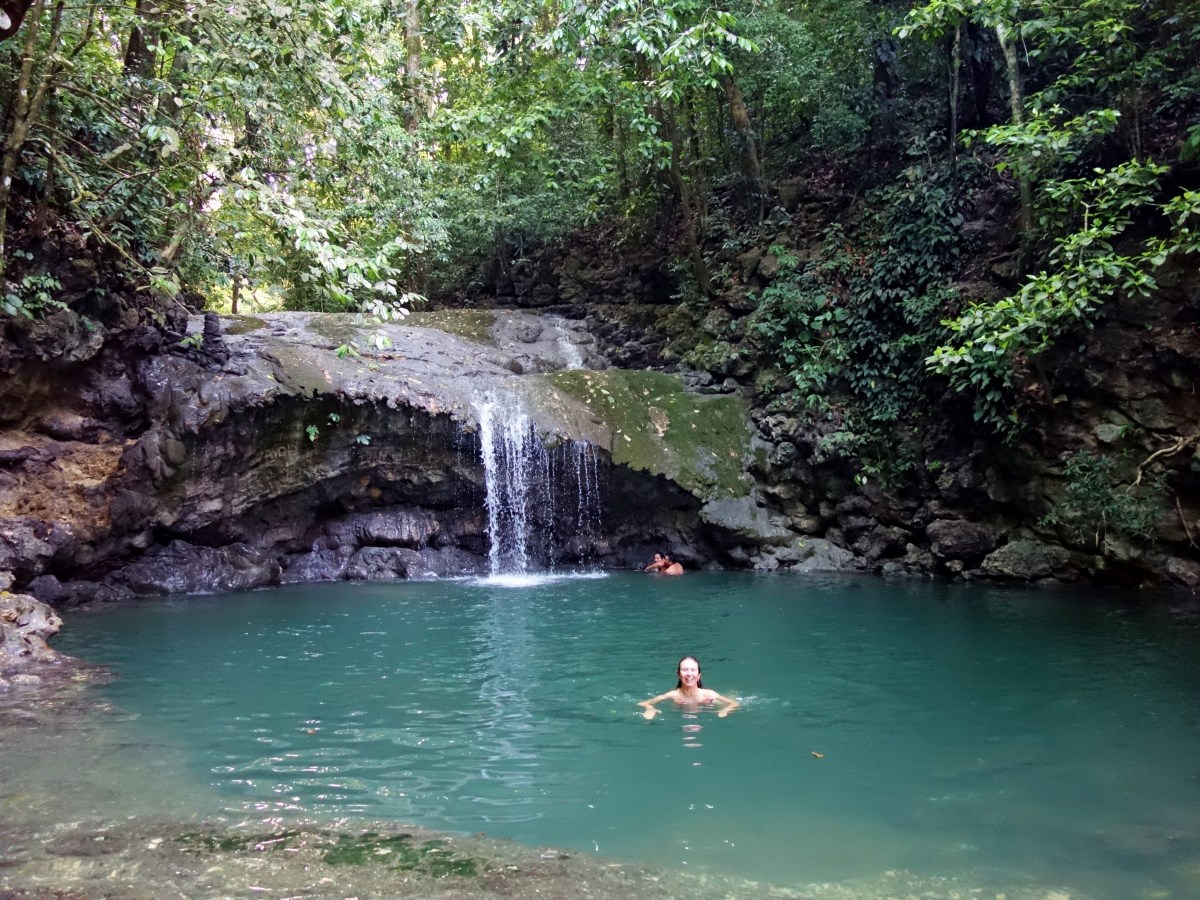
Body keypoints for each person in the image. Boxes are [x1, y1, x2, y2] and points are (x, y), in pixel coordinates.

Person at [639, 655, 740, 719]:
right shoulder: (673, 695)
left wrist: (724, 710)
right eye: (685, 670)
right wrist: (650, 709)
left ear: (699, 675)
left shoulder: (708, 694)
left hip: (708, 703)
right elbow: (644, 703)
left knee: (721, 699)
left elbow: (734, 704)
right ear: (678, 674)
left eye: (693, 670)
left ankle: (733, 693)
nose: (689, 674)